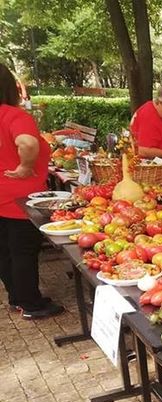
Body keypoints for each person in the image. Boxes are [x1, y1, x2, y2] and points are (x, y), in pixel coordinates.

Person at [0, 63, 64, 319]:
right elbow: (26, 142)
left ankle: (16, 297)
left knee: (4, 251)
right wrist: (25, 167)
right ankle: (31, 304)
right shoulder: (13, 115)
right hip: (19, 198)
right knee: (23, 251)